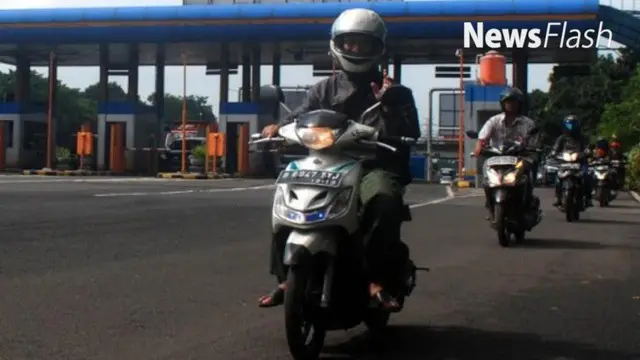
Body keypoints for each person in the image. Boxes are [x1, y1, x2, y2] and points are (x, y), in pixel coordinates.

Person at [257, 8, 420, 312]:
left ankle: (376, 280)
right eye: (350, 43)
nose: (356, 50)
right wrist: (277, 128)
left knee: (383, 200)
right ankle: (284, 278)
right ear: (338, 45)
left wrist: (388, 106)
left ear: (378, 48)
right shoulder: (323, 89)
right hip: (326, 163)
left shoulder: (395, 92)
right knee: (284, 198)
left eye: (364, 43)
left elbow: (410, 132)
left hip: (373, 165)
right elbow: (299, 117)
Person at [473, 88, 537, 222]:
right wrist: (479, 147)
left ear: (519, 104)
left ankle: (528, 201)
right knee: (486, 170)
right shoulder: (494, 121)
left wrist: (531, 148)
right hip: (497, 157)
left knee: (528, 170)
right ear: (502, 104)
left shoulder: (528, 123)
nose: (510, 105)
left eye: (514, 102)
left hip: (519, 157)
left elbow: (534, 141)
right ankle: (489, 202)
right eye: (507, 102)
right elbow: (482, 138)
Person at [550, 115, 592, 207]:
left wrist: (587, 152)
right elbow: (555, 148)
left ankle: (588, 198)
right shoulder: (562, 138)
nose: (571, 127)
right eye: (569, 125)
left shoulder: (582, 138)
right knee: (558, 178)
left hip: (580, 162)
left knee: (588, 177)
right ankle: (558, 197)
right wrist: (553, 153)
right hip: (565, 163)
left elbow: (587, 147)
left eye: (573, 125)